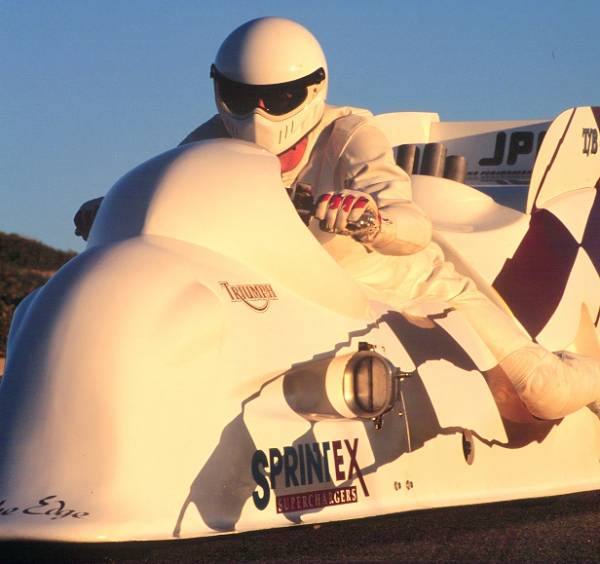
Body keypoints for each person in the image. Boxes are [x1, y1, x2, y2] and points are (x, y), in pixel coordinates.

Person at [75, 17, 600, 421]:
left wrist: (372, 221)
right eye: (243, 97)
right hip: (308, 294)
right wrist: (116, 207)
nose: (259, 113)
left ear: (314, 88)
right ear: (220, 89)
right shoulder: (210, 142)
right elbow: (177, 199)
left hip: (413, 289)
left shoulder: (348, 134)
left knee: (542, 391)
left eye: (279, 98)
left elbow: (412, 225)